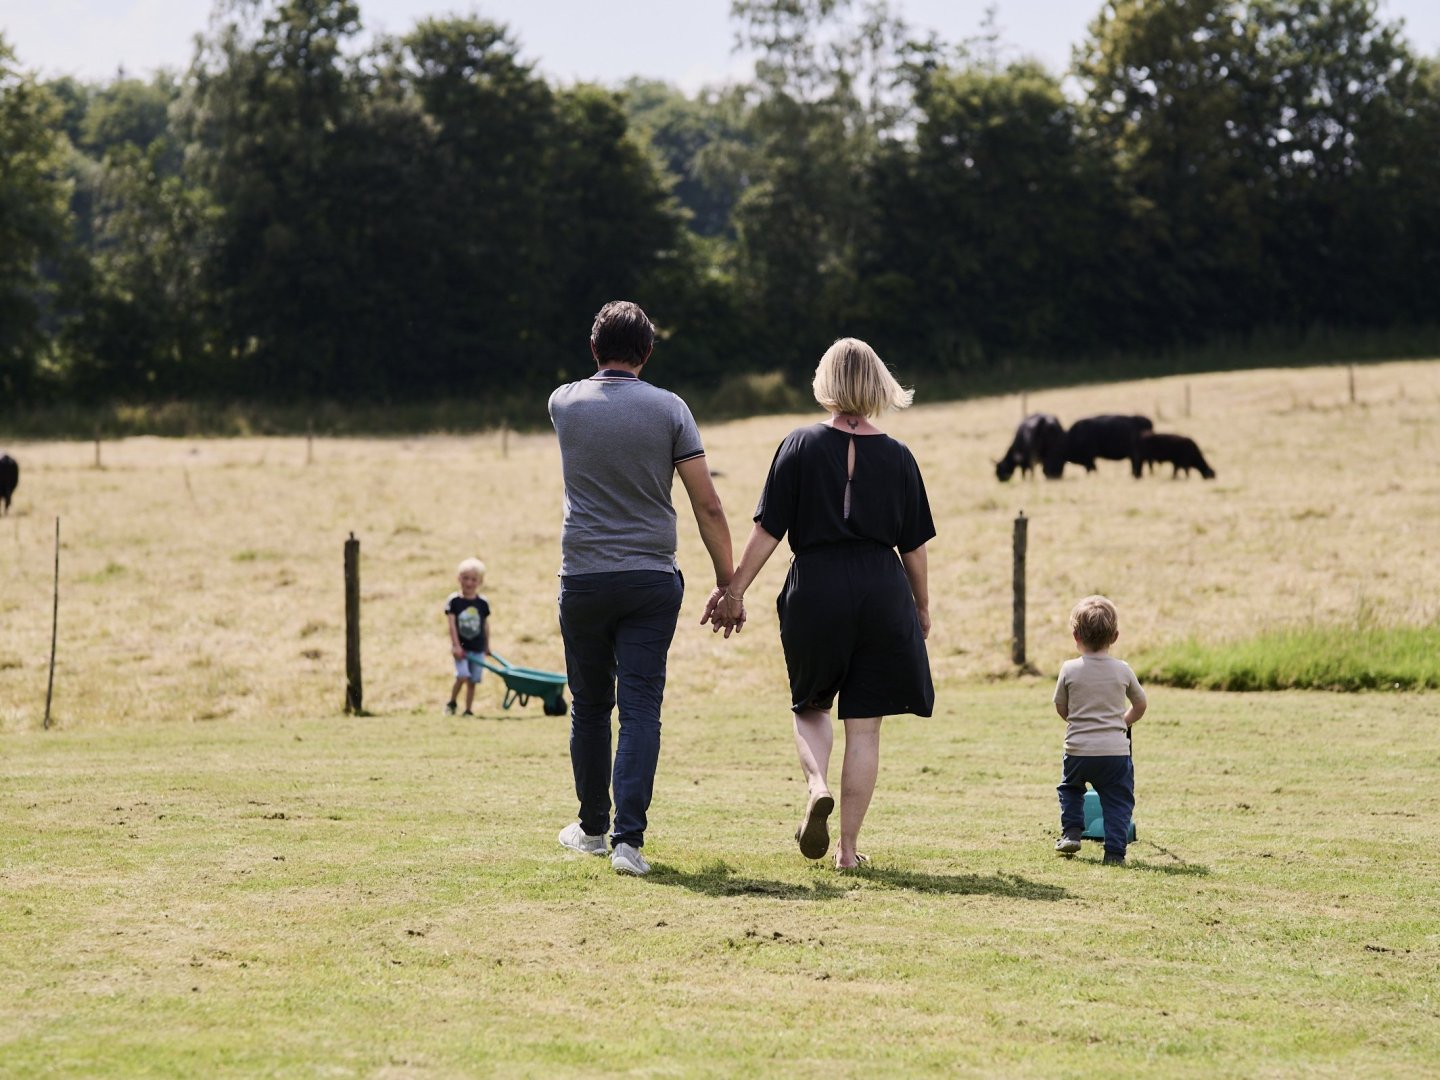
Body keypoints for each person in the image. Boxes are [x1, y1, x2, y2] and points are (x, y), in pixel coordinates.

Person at [710, 338, 935, 870]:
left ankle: (816, 788)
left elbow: (767, 530)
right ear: (879, 383)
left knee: (810, 703)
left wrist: (734, 590)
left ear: (825, 382)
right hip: (883, 589)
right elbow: (915, 548)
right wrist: (921, 607)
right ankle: (848, 851)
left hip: (816, 585)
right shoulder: (900, 457)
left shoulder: (799, 444)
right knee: (866, 723)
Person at [549, 300, 737, 877]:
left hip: (582, 577)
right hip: (651, 577)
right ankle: (629, 844)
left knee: (589, 707)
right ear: (649, 353)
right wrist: (729, 582)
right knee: (640, 708)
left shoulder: (563, 403)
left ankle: (590, 829)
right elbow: (707, 503)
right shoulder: (670, 409)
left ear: (593, 349)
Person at [1052, 595, 1147, 865]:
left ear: (1075, 635)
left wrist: (1079, 721)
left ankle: (1071, 832)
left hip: (1078, 749)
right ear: (1115, 636)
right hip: (1114, 752)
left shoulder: (1069, 669)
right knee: (1118, 800)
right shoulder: (1122, 670)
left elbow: (1061, 707)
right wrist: (1122, 722)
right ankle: (1115, 852)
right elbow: (1140, 704)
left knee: (1071, 788)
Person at [444, 558, 491, 716]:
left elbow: (485, 625)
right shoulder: (454, 601)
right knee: (462, 675)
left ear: (480, 581)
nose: (469, 583)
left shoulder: (482, 603)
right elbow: (451, 625)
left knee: (473, 681)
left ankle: (468, 710)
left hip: (477, 647)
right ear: (459, 578)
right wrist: (456, 645)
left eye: (473, 579)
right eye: (465, 578)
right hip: (461, 648)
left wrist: (487, 645)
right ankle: (452, 702)